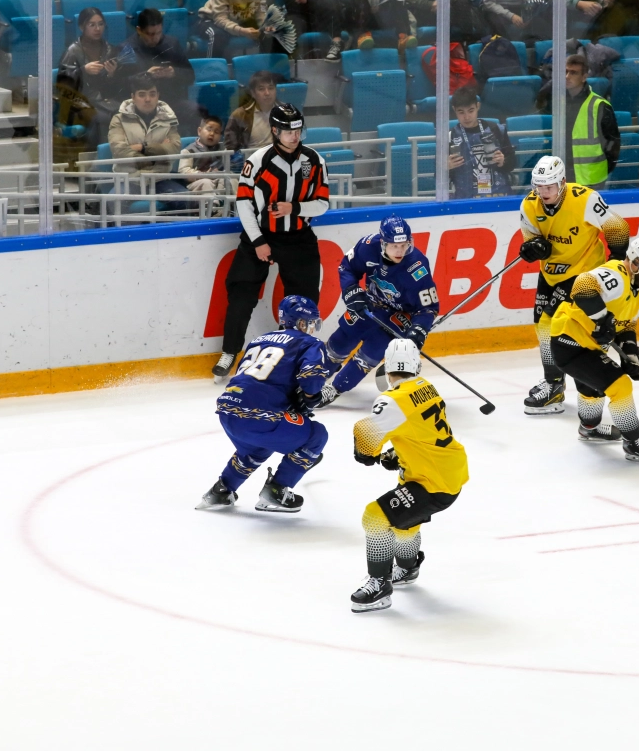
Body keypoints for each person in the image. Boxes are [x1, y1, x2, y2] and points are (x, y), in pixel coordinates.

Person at [348, 338, 469, 613]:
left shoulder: (391, 399)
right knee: (404, 522)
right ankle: (407, 567)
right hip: (444, 468)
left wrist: (369, 454)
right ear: (417, 366)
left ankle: (380, 584)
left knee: (375, 517)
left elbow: (365, 436)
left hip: (433, 481)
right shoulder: (426, 386)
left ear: (387, 369)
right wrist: (397, 454)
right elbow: (419, 429)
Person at [215, 103, 329, 380]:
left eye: (298, 130)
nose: (294, 136)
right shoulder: (257, 161)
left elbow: (323, 204)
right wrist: (258, 241)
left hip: (299, 238)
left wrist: (294, 208)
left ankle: (297, 357)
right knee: (241, 295)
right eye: (288, 131)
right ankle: (230, 352)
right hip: (260, 238)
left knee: (304, 304)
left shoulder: (314, 161)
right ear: (275, 130)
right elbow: (243, 203)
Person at [516, 154, 629, 414]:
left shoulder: (586, 199)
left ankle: (564, 384)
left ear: (562, 183)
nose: (543, 192)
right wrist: (533, 248)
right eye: (539, 187)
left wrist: (616, 263)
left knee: (555, 326)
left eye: (549, 186)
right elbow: (533, 241)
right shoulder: (529, 205)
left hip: (583, 275)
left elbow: (618, 228)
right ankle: (555, 385)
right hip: (551, 274)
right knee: (542, 328)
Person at [196, 295, 330, 513]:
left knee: (257, 447)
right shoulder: (309, 343)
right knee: (316, 435)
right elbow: (311, 376)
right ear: (301, 323)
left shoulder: (259, 339)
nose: (312, 329)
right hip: (259, 414)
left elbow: (248, 377)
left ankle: (221, 490)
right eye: (311, 323)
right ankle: (276, 490)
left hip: (227, 411)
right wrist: (311, 398)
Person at [548, 235, 639, 462]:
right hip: (569, 341)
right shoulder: (616, 274)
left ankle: (589, 428)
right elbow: (581, 285)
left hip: (589, 345)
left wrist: (631, 353)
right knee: (619, 386)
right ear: (637, 262)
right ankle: (633, 443)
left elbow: (626, 324)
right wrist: (602, 318)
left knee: (593, 388)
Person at [317, 215, 438, 406]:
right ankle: (314, 378)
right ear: (382, 242)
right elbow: (347, 267)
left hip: (399, 316)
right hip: (369, 304)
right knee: (340, 342)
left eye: (404, 245)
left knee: (369, 354)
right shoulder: (367, 246)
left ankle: (334, 389)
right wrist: (351, 290)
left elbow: (428, 308)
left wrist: (418, 331)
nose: (400, 251)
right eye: (394, 246)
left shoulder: (417, 267)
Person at [107, 73, 188, 211]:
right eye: (142, 94)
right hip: (130, 179)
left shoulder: (168, 118)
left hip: (159, 179)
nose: (148, 99)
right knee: (112, 202)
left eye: (152, 94)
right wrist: (157, 155)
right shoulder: (119, 119)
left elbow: (174, 148)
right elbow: (119, 150)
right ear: (133, 97)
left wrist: (142, 148)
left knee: (185, 200)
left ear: (158, 95)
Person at [115, 9, 197, 131]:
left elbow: (190, 76)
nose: (155, 38)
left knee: (196, 111)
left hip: (170, 101)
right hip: (140, 106)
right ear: (139, 30)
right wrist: (146, 75)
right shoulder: (126, 49)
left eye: (159, 33)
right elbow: (119, 85)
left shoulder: (172, 44)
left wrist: (174, 73)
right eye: (150, 34)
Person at [57, 8, 122, 149]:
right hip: (79, 102)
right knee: (100, 118)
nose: (97, 29)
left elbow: (116, 88)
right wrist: (83, 71)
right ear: (82, 27)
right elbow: (62, 83)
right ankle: (99, 155)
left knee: (126, 112)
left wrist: (111, 75)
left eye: (100, 24)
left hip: (105, 101)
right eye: (92, 25)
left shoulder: (110, 50)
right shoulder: (73, 51)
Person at [448, 86, 515, 198]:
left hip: (498, 195)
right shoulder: (450, 136)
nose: (467, 117)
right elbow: (438, 176)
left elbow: (512, 163)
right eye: (461, 112)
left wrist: (503, 161)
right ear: (454, 109)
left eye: (471, 111)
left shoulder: (496, 130)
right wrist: (446, 168)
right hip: (466, 198)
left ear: (478, 106)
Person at [564, 54, 620, 186]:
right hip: (565, 177)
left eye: (573, 73)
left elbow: (613, 144)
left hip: (592, 180)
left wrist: (603, 171)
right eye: (566, 72)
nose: (567, 76)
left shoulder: (599, 105)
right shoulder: (558, 102)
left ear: (584, 77)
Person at [224, 71, 285, 163]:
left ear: (276, 90)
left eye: (271, 88)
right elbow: (231, 148)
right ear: (253, 93)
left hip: (281, 163)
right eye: (261, 89)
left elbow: (295, 142)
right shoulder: (239, 115)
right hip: (251, 165)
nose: (267, 93)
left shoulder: (287, 112)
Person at [179, 115, 226, 194]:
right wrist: (203, 175)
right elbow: (184, 172)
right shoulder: (189, 150)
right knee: (206, 183)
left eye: (216, 132)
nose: (212, 133)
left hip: (217, 180)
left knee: (230, 180)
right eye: (209, 129)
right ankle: (212, 205)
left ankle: (236, 204)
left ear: (220, 137)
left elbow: (228, 166)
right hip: (197, 183)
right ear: (199, 131)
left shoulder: (223, 150)